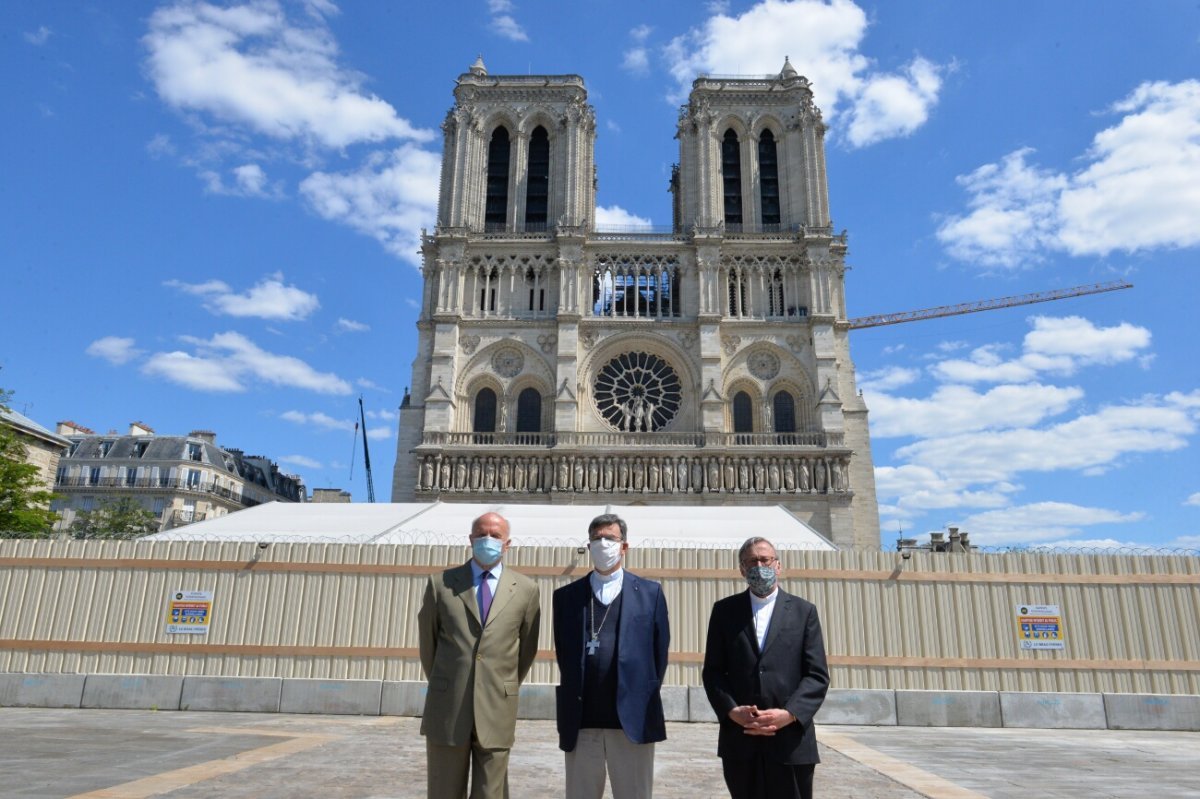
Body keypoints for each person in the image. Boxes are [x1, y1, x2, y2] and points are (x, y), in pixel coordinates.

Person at [418, 512, 541, 799]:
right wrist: (448, 680)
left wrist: (501, 683)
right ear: (471, 540)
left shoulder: (526, 589)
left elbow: (526, 650)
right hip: (448, 707)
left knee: (491, 793)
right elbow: (429, 645)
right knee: (443, 790)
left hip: (497, 707)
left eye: (496, 535)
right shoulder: (442, 584)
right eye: (482, 534)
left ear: (507, 543)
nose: (488, 539)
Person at [553, 513, 670, 798]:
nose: (603, 544)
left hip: (631, 722)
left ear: (624, 546)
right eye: (597, 539)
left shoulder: (650, 594)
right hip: (581, 722)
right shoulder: (566, 597)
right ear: (589, 545)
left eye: (610, 538)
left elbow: (659, 654)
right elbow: (564, 653)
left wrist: (641, 693)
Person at [702, 537, 829, 799]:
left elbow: (817, 675)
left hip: (791, 741)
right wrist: (732, 711)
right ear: (742, 569)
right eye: (752, 561)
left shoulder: (804, 611)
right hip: (741, 739)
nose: (759, 566)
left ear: (778, 565)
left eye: (765, 560)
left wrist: (790, 713)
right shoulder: (724, 611)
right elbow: (713, 671)